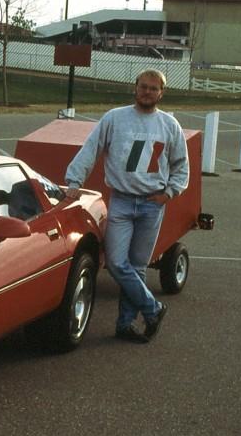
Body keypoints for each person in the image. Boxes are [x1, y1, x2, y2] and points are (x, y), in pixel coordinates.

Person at [65, 69, 190, 344]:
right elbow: (91, 149)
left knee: (138, 266)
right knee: (117, 262)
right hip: (121, 201)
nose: (147, 92)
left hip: (152, 204)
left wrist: (168, 193)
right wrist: (74, 180)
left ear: (161, 93)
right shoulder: (115, 118)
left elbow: (182, 166)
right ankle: (153, 308)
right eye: (143, 86)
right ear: (135, 88)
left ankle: (125, 325)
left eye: (153, 88)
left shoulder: (170, 126)